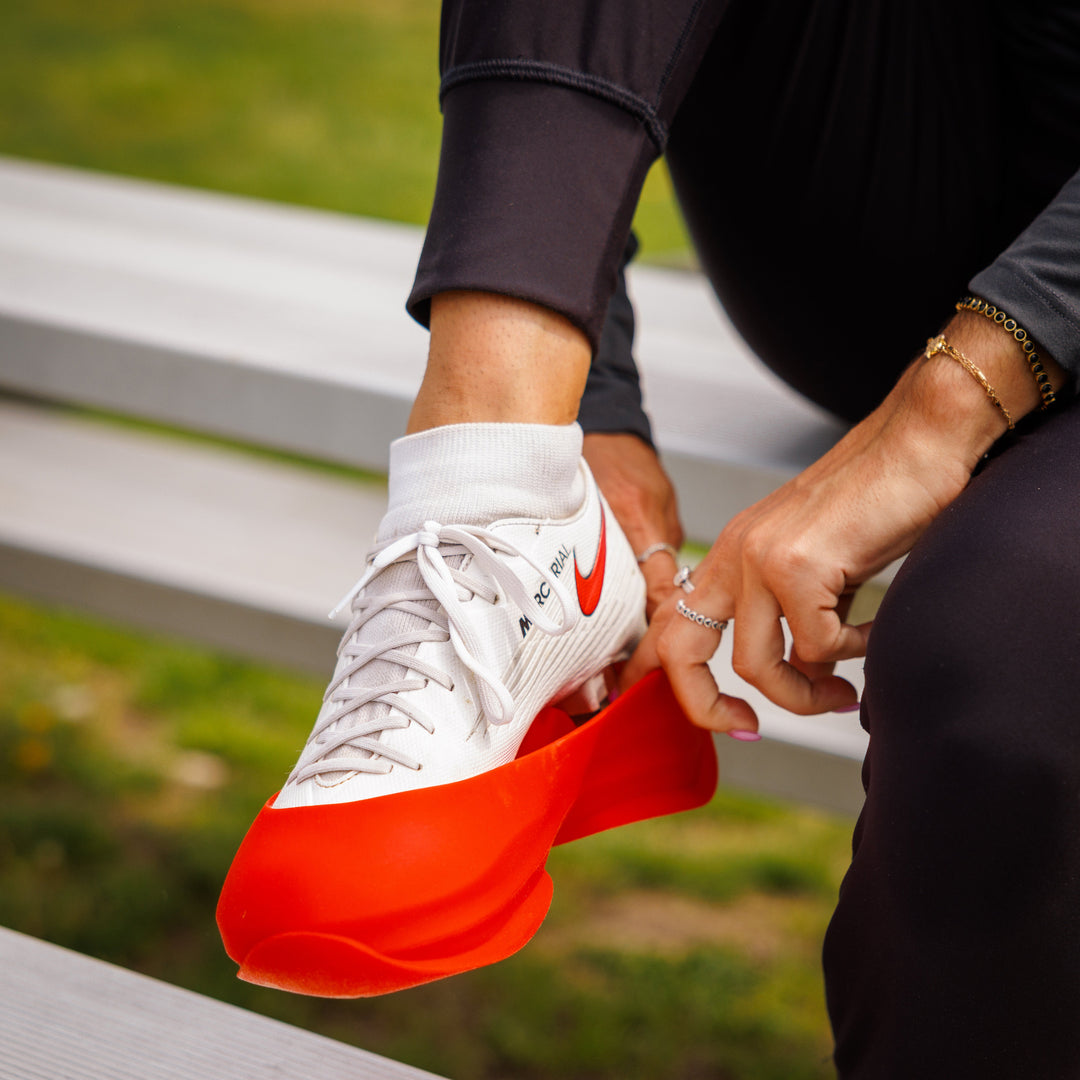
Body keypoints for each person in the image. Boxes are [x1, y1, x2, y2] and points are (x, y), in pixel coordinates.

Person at [278, 1, 1080, 1074]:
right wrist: (591, 405)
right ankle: (496, 493)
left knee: (994, 675)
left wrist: (942, 412)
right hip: (892, 213)